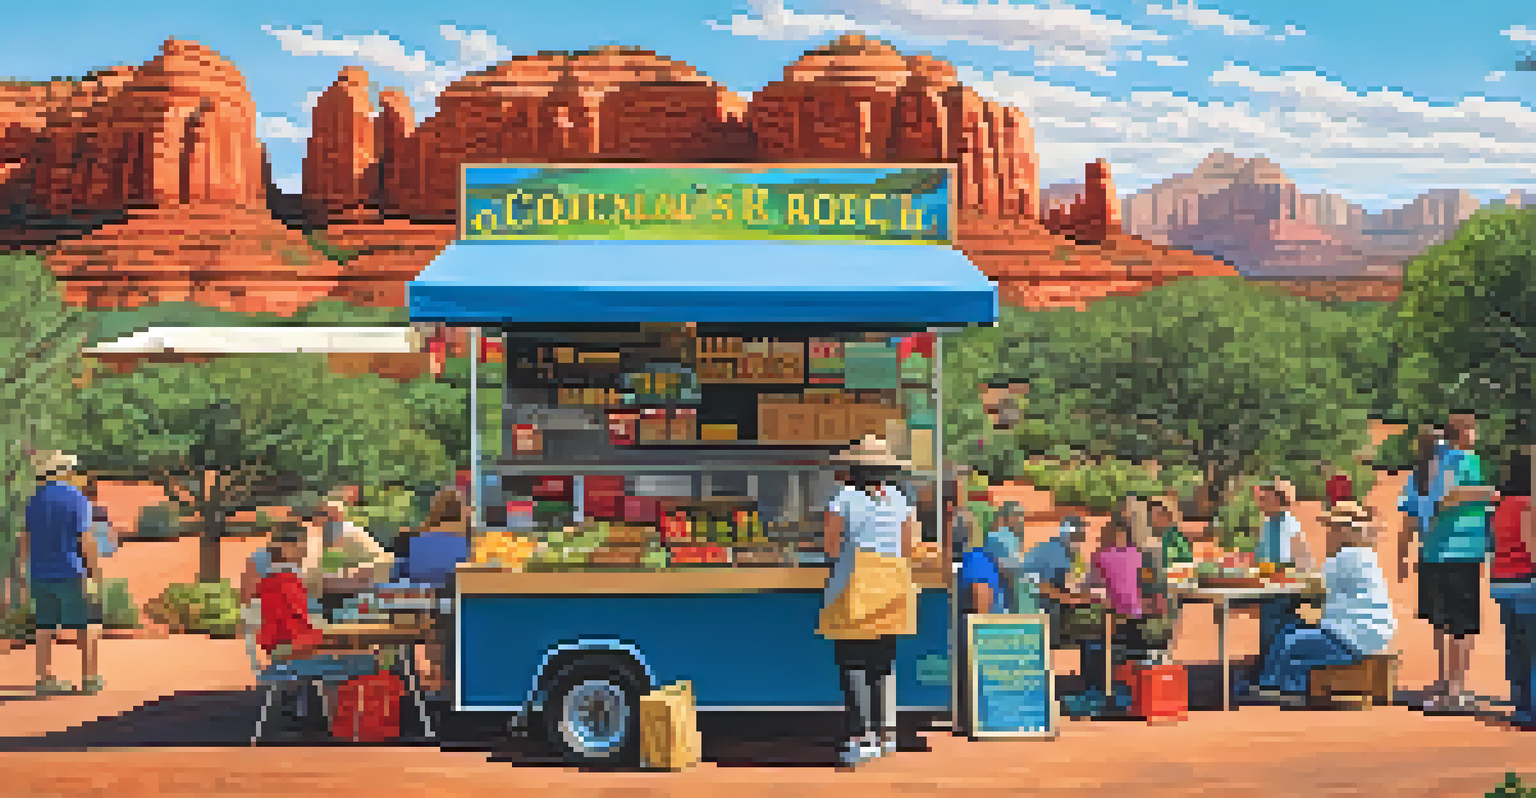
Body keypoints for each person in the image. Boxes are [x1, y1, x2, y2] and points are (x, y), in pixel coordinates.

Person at [818, 435, 919, 768]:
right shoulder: (899, 500)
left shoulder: (843, 499)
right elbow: (909, 546)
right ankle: (885, 735)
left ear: (855, 470)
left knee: (853, 665)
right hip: (892, 587)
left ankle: (861, 739)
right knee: (882, 662)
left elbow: (831, 547)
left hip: (854, 587)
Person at [1399, 412, 1499, 713]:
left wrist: (1404, 553)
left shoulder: (1425, 465)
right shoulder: (1464, 459)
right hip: (1462, 550)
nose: (1476, 434)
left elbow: (1410, 512)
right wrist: (1489, 492)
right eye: (1473, 429)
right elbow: (1448, 497)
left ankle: (1446, 683)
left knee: (1442, 621)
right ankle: (1455, 689)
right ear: (1463, 433)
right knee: (1463, 623)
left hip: (1432, 552)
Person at [1253, 500, 1396, 702]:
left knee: (1289, 641)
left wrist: (1296, 566)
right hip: (1358, 633)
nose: (1329, 533)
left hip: (1353, 638)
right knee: (1287, 632)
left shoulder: (1347, 557)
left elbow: (1313, 586)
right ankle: (1270, 684)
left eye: (1334, 528)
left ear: (1347, 531)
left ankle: (1287, 690)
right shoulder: (1359, 555)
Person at [255, 520, 377, 722]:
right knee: (367, 659)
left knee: (352, 653)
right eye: (299, 544)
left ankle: (335, 720)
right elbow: (300, 629)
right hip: (293, 656)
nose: (303, 549)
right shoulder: (285, 581)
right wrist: (337, 640)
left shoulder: (275, 578)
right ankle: (347, 722)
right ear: (284, 547)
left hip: (285, 652)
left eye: (304, 543)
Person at [22, 451, 104, 696]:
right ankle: (89, 678)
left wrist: (23, 570)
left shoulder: (34, 500)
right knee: (86, 624)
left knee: (44, 626)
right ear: (64, 472)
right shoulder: (77, 499)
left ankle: (44, 678)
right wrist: (95, 572)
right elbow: (86, 539)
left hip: (39, 572)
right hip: (70, 570)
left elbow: (24, 539)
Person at [391, 488, 473, 694]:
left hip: (422, 603)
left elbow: (400, 574)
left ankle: (422, 679)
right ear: (462, 510)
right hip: (456, 602)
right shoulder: (470, 538)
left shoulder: (415, 536)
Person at [1488, 448, 1535, 729]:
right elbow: (1531, 547)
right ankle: (1531, 711)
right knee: (1532, 649)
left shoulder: (1500, 505)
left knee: (1515, 647)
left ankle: (1521, 707)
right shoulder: (1527, 505)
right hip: (1526, 582)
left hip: (1502, 582)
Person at [1253, 480, 1314, 663]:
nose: (1261, 501)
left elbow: (1288, 563)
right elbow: (1261, 557)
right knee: (1267, 613)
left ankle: (1269, 666)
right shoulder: (1268, 523)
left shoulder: (1288, 525)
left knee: (1272, 614)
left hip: (1288, 587)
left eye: (1266, 497)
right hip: (1272, 585)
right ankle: (1267, 663)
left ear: (1278, 500)